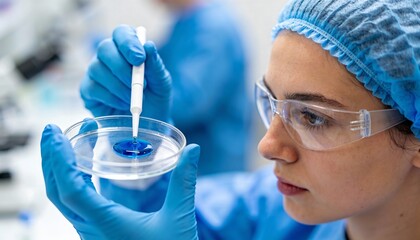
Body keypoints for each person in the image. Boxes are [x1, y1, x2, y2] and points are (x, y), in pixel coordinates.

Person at [41, 0, 420, 239]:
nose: (267, 146)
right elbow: (171, 220)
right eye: (270, 102)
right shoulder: (273, 208)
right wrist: (142, 166)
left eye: (312, 117)